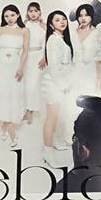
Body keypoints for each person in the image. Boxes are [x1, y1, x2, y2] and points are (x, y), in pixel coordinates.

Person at [0, 3, 30, 145]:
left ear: (18, 15)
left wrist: (21, 68)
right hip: (0, 66)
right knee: (2, 95)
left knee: (14, 95)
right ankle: (6, 127)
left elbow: (25, 51)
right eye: (6, 16)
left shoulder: (25, 31)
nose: (10, 18)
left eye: (12, 15)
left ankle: (9, 128)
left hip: (15, 66)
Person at [41, 9, 76, 160]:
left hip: (63, 82)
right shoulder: (53, 40)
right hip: (54, 84)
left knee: (57, 115)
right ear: (51, 25)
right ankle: (47, 152)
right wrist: (62, 85)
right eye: (57, 20)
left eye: (63, 19)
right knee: (51, 117)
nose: (62, 22)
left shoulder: (62, 38)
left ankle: (55, 141)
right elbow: (53, 67)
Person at [73, 3, 101, 98]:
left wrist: (99, 80)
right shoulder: (72, 33)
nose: (83, 18)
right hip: (74, 74)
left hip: (92, 74)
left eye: (86, 15)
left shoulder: (99, 33)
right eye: (80, 15)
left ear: (91, 16)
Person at [22, 1, 45, 125]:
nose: (33, 13)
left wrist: (44, 57)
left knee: (34, 84)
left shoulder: (44, 26)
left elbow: (47, 43)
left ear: (40, 12)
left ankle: (30, 111)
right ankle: (24, 109)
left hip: (38, 56)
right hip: (25, 56)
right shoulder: (24, 25)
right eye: (31, 11)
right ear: (27, 13)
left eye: (36, 11)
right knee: (25, 84)